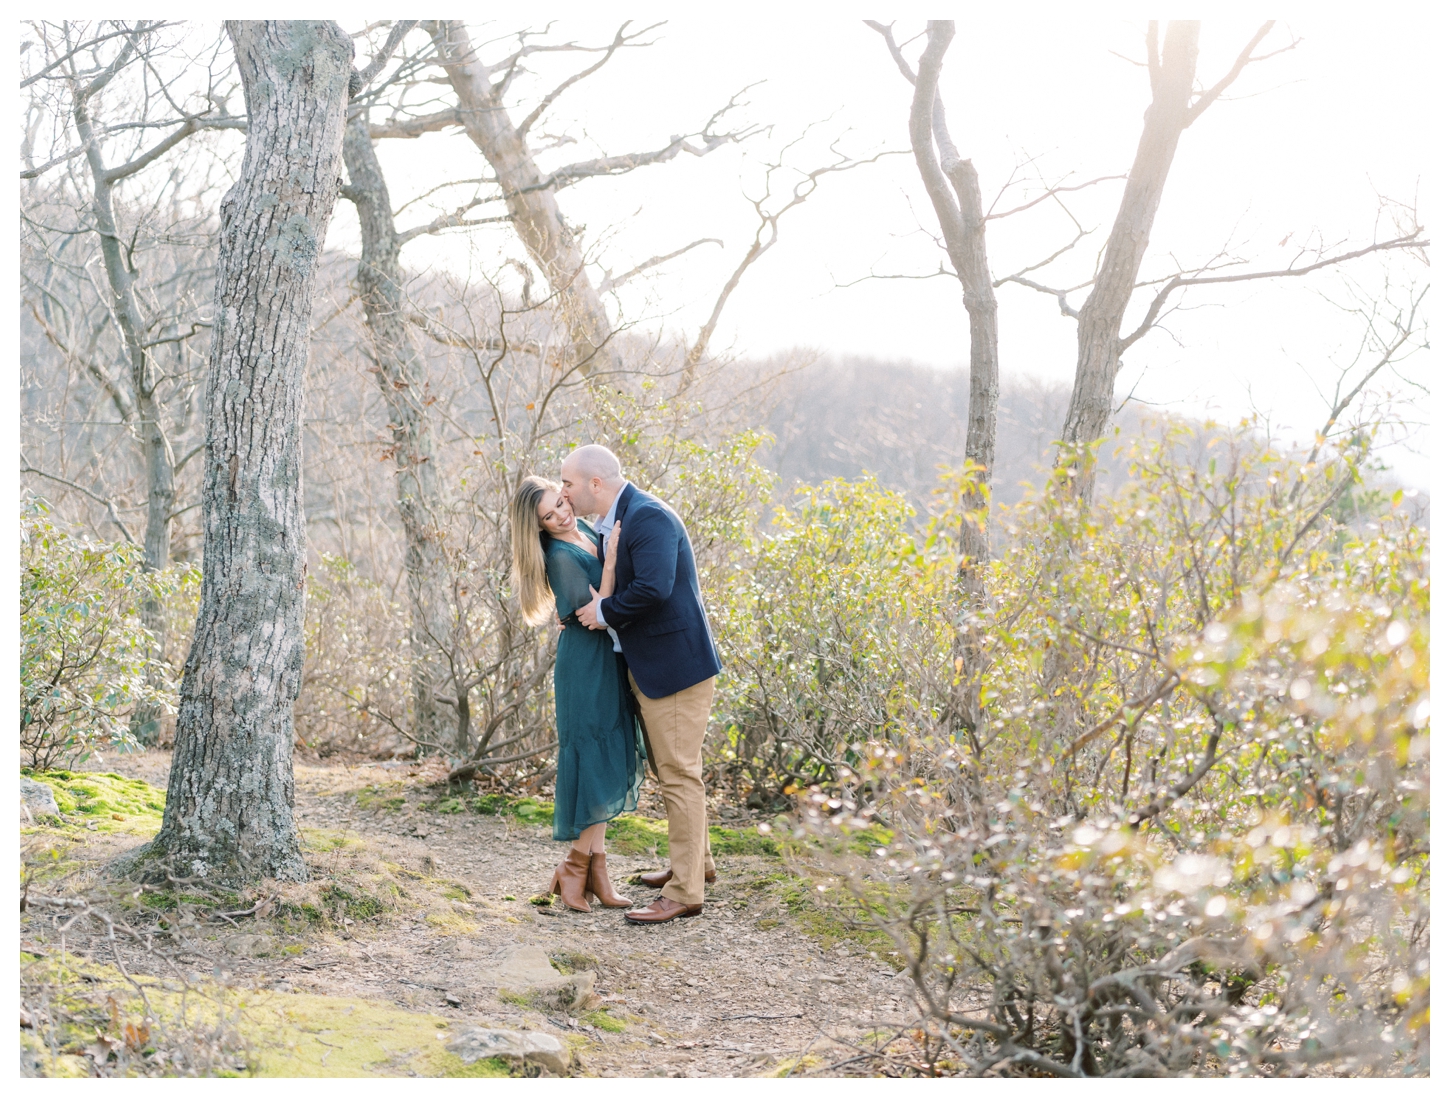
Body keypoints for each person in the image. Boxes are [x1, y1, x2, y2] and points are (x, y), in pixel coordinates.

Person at [563, 445, 724, 925]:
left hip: (675, 669)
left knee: (678, 775)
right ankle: (696, 865)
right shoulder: (615, 519)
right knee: (672, 770)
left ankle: (685, 892)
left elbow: (654, 586)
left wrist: (603, 612)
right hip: (654, 667)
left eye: (568, 483)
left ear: (595, 483)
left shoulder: (647, 516)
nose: (564, 493)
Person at [508, 475, 646, 913]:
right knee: (591, 761)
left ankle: (592, 871)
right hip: (584, 665)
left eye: (559, 504)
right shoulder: (559, 556)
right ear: (540, 528)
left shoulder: (586, 529)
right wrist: (608, 573)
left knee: (604, 762)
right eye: (549, 516)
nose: (561, 515)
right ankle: (575, 867)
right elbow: (593, 616)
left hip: (609, 660)